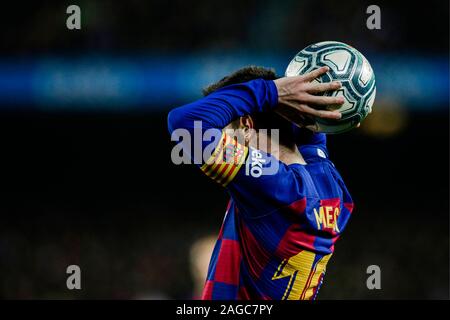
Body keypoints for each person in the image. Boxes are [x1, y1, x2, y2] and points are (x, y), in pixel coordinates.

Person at [167, 65, 354, 300]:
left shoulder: (274, 188)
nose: (222, 140)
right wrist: (287, 98)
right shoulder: (328, 180)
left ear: (246, 126)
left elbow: (184, 123)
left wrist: (272, 92)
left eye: (224, 131)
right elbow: (311, 133)